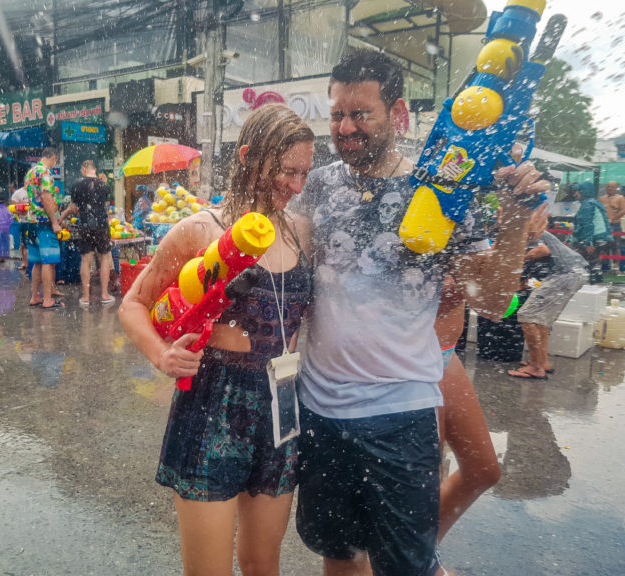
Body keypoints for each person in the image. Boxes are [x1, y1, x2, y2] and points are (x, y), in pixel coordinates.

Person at [292, 50, 548, 576]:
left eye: (361, 113)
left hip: (400, 416)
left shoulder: (440, 190)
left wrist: (516, 219)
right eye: (337, 113)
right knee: (339, 554)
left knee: (406, 567)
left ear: (399, 112)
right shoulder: (317, 184)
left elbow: (496, 300)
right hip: (320, 412)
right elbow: (289, 269)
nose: (345, 127)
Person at [119, 103, 314, 576]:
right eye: (287, 171)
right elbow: (133, 303)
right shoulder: (201, 230)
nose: (296, 186)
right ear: (247, 157)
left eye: (304, 173)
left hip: (281, 404)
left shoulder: (302, 231)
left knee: (262, 563)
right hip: (213, 405)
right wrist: (162, 354)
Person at [434, 277, 501, 540]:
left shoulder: (469, 233)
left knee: (482, 471)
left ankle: (419, 554)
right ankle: (413, 562)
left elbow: (496, 304)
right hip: (411, 357)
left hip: (445, 354)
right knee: (420, 487)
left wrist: (514, 236)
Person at [508, 206, 589, 379]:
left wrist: (519, 259)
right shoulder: (525, 235)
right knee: (541, 321)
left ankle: (536, 368)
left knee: (527, 316)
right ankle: (541, 362)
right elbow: (521, 283)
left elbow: (542, 251)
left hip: (565, 273)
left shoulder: (530, 234)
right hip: (573, 272)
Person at [59, 160, 115, 306]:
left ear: (84, 169)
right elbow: (104, 206)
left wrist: (68, 214)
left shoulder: (77, 184)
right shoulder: (104, 185)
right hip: (102, 225)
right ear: (94, 169)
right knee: (103, 259)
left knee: (86, 259)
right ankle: (104, 294)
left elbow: (72, 207)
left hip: (85, 226)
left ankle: (85, 297)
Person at [24, 147, 62, 309]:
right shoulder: (46, 173)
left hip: (31, 221)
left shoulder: (30, 172)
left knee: (37, 262)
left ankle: (35, 297)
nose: (55, 164)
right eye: (56, 161)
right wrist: (54, 221)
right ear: (53, 157)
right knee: (48, 261)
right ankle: (47, 299)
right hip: (44, 222)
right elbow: (47, 198)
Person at [568, 181, 611, 284]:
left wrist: (588, 242)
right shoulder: (595, 203)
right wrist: (571, 239)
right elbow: (582, 225)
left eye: (577, 191)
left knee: (585, 264)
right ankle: (595, 288)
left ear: (583, 191)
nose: (576, 194)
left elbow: (587, 225)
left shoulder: (587, 204)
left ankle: (589, 288)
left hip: (594, 239)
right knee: (594, 266)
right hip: (602, 239)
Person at [598, 181, 625, 272]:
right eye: (608, 186)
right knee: (603, 246)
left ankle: (616, 267)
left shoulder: (620, 198)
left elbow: (623, 210)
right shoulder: (601, 199)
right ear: (606, 187)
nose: (610, 188)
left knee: (616, 246)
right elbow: (598, 211)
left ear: (616, 188)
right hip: (604, 226)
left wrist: (613, 218)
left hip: (615, 225)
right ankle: (603, 266)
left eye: (612, 187)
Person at [10, 182, 30, 270]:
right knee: (24, 243)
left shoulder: (36, 191)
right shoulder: (18, 193)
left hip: (36, 221)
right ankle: (25, 263)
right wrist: (21, 211)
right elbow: (13, 208)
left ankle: (32, 263)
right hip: (24, 221)